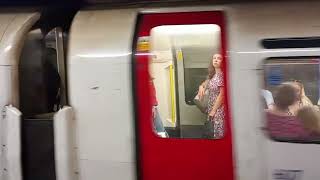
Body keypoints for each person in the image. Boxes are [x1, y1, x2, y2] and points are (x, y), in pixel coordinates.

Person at [198, 54, 225, 139]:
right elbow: (205, 83)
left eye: (219, 58)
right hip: (212, 108)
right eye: (214, 58)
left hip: (219, 110)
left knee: (218, 134)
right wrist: (201, 87)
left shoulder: (222, 75)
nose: (216, 60)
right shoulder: (213, 75)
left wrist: (213, 111)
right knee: (213, 132)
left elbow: (222, 95)